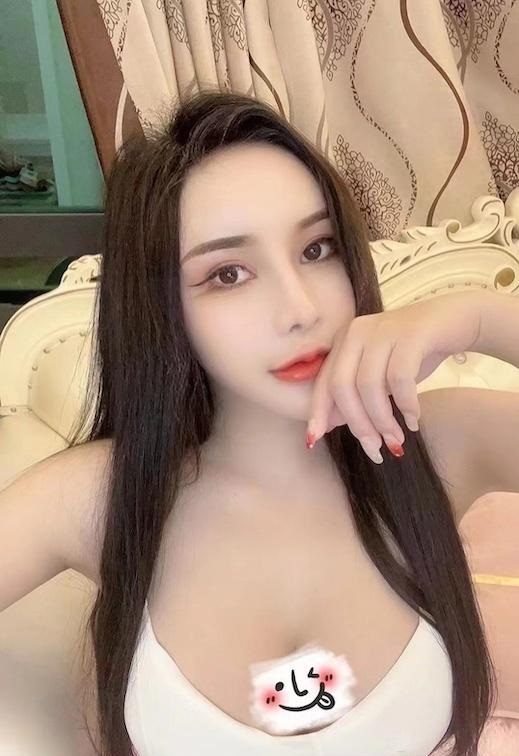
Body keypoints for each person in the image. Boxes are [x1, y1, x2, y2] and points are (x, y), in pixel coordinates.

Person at [4, 89, 519, 756]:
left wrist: (478, 316)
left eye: (317, 248)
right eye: (228, 274)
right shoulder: (100, 495)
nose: (300, 308)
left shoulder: (432, 443)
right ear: (161, 308)